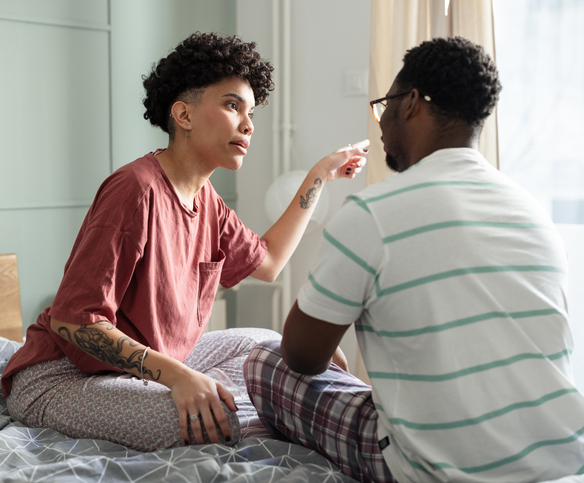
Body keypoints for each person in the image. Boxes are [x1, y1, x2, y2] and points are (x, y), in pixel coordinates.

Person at [0, 32, 368, 452]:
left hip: (142, 367)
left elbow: (268, 263)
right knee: (217, 420)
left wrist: (321, 174)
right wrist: (177, 376)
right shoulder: (135, 189)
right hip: (62, 377)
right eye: (232, 106)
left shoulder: (207, 200)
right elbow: (73, 321)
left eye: (251, 113)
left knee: (267, 345)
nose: (248, 125)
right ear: (184, 115)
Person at [244, 36, 584, 483]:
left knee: (260, 358)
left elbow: (301, 357)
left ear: (410, 104)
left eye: (382, 106)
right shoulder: (533, 213)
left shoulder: (373, 215)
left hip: (429, 467)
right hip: (558, 460)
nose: (380, 124)